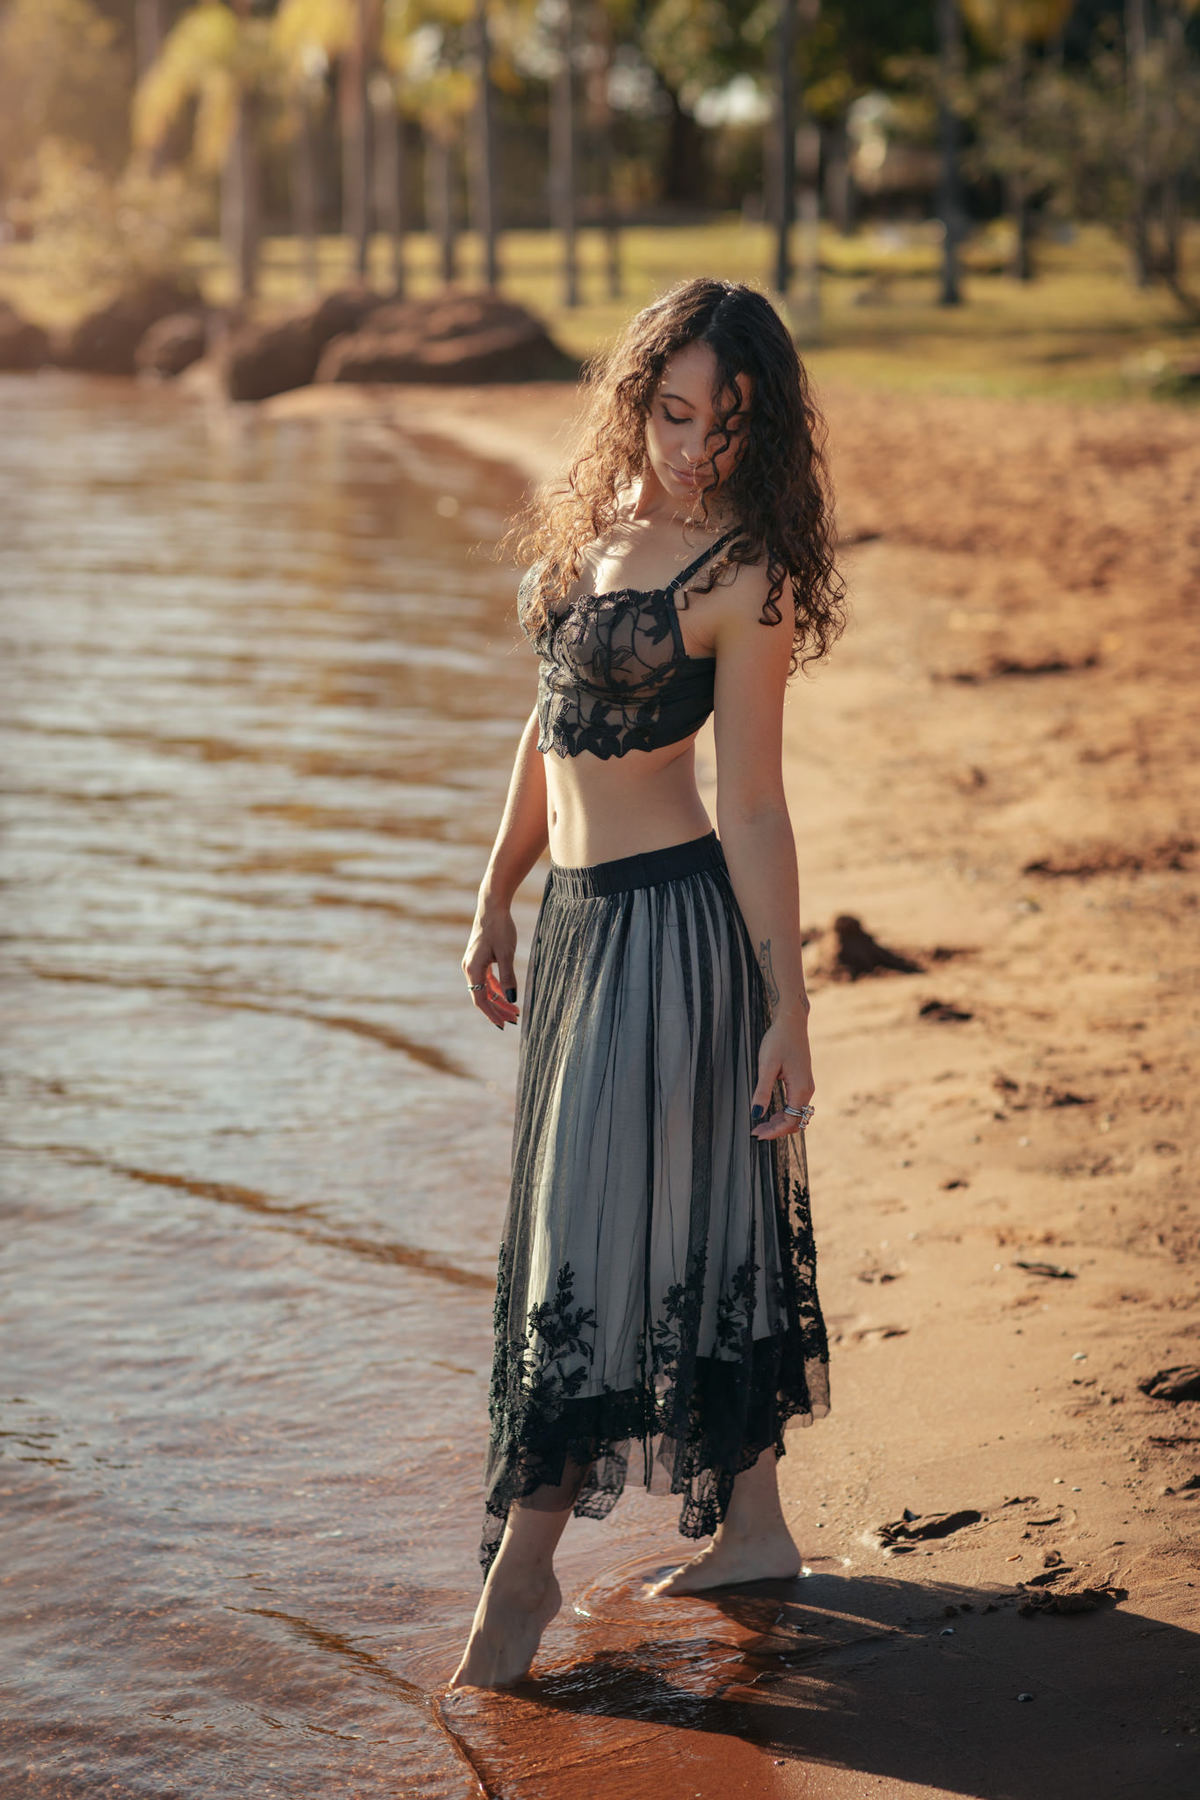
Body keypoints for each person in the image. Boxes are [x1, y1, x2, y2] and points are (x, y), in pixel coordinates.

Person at [450, 277, 845, 1691]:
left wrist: (788, 1004)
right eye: (673, 412)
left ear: (763, 433)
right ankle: (755, 1525)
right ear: (634, 399)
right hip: (570, 927)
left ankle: (521, 1580)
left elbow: (752, 806)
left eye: (726, 426)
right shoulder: (594, 533)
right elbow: (545, 722)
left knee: (587, 1246)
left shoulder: (746, 577)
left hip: (673, 935)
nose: (694, 448)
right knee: (681, 1230)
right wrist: (495, 894)